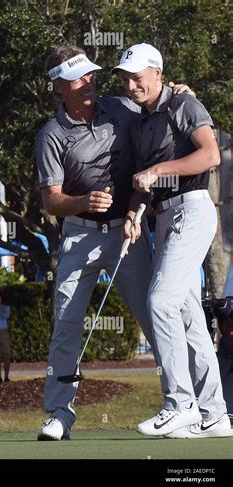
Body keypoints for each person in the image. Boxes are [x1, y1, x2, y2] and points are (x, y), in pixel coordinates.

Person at [35, 45, 193, 441]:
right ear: (58, 87)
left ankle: (184, 405)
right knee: (66, 325)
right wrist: (82, 201)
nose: (88, 82)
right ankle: (59, 413)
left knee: (159, 318)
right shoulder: (51, 136)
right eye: (76, 78)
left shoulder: (123, 107)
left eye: (89, 74)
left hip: (128, 233)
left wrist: (181, 95)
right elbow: (50, 200)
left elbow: (161, 106)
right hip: (78, 236)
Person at [113, 43, 231, 438]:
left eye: (138, 77)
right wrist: (133, 213)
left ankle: (180, 403)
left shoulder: (184, 104)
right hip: (162, 218)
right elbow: (147, 182)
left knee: (160, 300)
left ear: (158, 73)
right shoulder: (141, 123)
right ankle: (215, 414)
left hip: (193, 210)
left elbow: (210, 155)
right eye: (126, 79)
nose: (131, 85)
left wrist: (159, 169)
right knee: (188, 316)